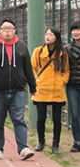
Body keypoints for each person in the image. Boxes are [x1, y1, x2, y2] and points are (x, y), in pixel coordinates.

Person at [0, 19, 36, 160]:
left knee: (19, 119)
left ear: (14, 31)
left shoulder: (21, 47)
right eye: (4, 28)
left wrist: (32, 86)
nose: (7, 31)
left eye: (10, 28)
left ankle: (23, 148)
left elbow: (28, 68)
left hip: (18, 90)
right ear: (0, 31)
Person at [31, 28, 69, 153]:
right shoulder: (38, 51)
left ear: (56, 38)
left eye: (51, 35)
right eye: (46, 34)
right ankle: (41, 142)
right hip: (41, 89)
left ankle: (55, 144)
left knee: (57, 119)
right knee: (41, 118)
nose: (48, 37)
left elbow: (66, 70)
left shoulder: (62, 53)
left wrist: (62, 81)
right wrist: (36, 80)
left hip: (57, 90)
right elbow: (32, 67)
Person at [65, 21, 80, 152]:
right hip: (72, 86)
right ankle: (77, 141)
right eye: (73, 30)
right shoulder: (67, 49)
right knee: (75, 114)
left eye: (78, 30)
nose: (76, 32)